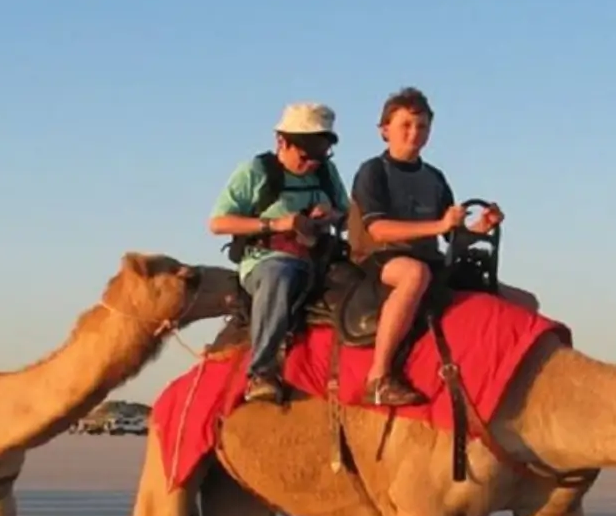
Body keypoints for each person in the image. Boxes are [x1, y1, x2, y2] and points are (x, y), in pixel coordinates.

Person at [348, 87, 508, 407]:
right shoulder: (373, 172)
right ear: (385, 130)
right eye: (405, 125)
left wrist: (480, 229)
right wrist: (439, 226)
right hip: (381, 256)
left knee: (520, 299)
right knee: (414, 275)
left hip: (430, 257)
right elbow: (377, 229)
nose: (414, 133)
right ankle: (378, 378)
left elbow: (452, 236)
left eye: (421, 126)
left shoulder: (434, 177)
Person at [209, 103, 350, 403]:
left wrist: (332, 214)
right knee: (280, 275)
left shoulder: (326, 172)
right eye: (305, 155)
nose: (312, 163)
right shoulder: (256, 171)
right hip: (268, 260)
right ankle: (261, 371)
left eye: (320, 155)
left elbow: (349, 216)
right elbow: (218, 222)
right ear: (282, 142)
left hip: (319, 260)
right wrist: (277, 223)